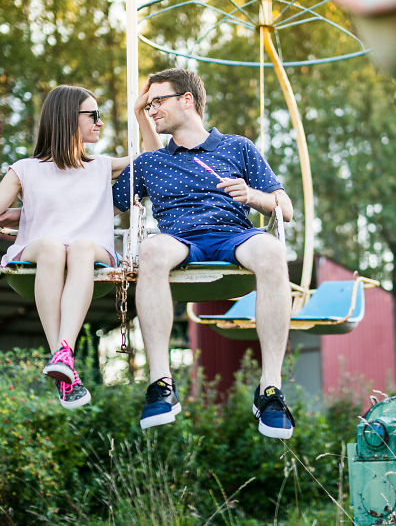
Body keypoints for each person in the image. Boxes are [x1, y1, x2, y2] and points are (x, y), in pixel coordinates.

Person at [112, 68, 296, 439]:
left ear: (187, 100)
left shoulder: (238, 147)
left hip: (235, 236)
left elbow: (285, 208)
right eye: (149, 105)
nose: (153, 109)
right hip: (179, 239)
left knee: (272, 250)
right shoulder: (150, 162)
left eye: (158, 101)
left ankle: (270, 389)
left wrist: (253, 196)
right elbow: (100, 206)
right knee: (150, 249)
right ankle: (161, 384)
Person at [0, 85, 161, 409]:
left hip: (92, 251)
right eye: (93, 115)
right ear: (68, 118)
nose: (100, 122)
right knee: (52, 247)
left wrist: (140, 113)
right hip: (39, 250)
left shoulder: (102, 165)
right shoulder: (25, 169)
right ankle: (63, 357)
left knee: (81, 247)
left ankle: (62, 356)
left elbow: (155, 158)